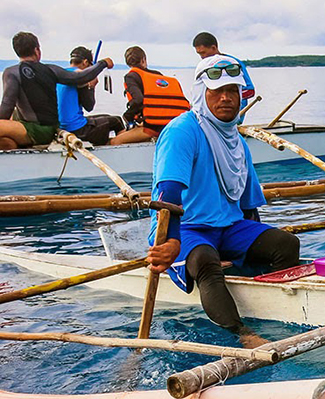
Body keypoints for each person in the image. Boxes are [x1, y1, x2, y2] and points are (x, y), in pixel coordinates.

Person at [146, 54, 300, 347]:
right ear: (201, 94)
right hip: (186, 227)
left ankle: (267, 301)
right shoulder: (183, 131)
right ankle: (243, 334)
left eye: (233, 92)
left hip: (228, 226)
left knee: (286, 244)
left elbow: (247, 203)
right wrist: (171, 242)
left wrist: (257, 249)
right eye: (217, 92)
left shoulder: (237, 140)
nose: (227, 99)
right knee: (205, 260)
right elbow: (168, 192)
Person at [0, 31, 112, 150]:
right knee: (7, 142)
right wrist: (102, 63)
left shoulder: (11, 73)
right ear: (37, 50)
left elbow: (7, 107)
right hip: (48, 128)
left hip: (39, 131)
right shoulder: (51, 70)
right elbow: (81, 77)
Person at [116, 46, 191, 144]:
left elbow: (138, 100)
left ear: (128, 63)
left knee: (115, 141)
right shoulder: (157, 75)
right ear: (143, 60)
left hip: (153, 128)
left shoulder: (131, 77)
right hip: (175, 124)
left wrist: (127, 116)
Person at [56, 45, 125, 146]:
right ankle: (120, 151)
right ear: (85, 62)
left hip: (62, 127)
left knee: (106, 117)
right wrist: (91, 86)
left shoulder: (63, 74)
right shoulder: (80, 76)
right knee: (116, 121)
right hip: (77, 130)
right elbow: (89, 106)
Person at [192, 32, 255, 121]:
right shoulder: (205, 66)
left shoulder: (233, 63)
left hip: (234, 117)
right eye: (199, 54)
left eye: (203, 53)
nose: (202, 57)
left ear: (213, 48)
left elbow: (250, 91)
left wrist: (232, 96)